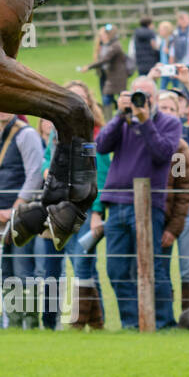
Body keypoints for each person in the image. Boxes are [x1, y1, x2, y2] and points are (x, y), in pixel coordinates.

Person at [96, 76, 181, 330]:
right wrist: (119, 116)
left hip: (147, 205)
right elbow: (100, 146)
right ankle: (131, 323)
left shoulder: (170, 123)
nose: (139, 101)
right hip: (116, 202)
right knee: (117, 268)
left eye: (144, 96)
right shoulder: (122, 122)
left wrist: (145, 122)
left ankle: (164, 324)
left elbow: (163, 153)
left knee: (153, 267)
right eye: (135, 95)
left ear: (153, 99)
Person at [40, 81, 111, 329]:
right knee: (58, 265)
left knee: (83, 262)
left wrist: (98, 212)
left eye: (81, 98)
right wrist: (47, 170)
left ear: (89, 103)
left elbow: (101, 175)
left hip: (85, 207)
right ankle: (68, 322)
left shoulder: (96, 134)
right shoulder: (56, 132)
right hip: (60, 207)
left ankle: (91, 322)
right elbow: (47, 159)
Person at [0, 110, 45, 327]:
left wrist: (15, 210)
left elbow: (34, 175)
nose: (1, 110)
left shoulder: (27, 134)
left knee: (23, 270)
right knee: (4, 271)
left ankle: (30, 324)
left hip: (23, 213)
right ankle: (14, 325)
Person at [156, 86, 189, 310]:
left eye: (171, 108)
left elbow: (184, 188)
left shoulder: (180, 147)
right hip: (158, 214)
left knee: (188, 266)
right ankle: (163, 313)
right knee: (160, 266)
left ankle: (188, 314)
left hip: (184, 211)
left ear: (179, 112)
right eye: (162, 107)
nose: (166, 112)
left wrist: (174, 227)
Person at [80, 24, 129, 112]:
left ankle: (123, 118)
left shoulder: (115, 45)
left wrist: (89, 67)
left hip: (118, 77)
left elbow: (105, 59)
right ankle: (110, 119)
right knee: (108, 98)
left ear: (111, 34)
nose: (105, 35)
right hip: (112, 77)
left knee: (119, 99)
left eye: (107, 33)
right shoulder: (111, 44)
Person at [171, 10, 189, 76]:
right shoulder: (176, 33)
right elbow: (172, 49)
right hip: (181, 63)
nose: (183, 21)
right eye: (181, 19)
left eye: (185, 18)